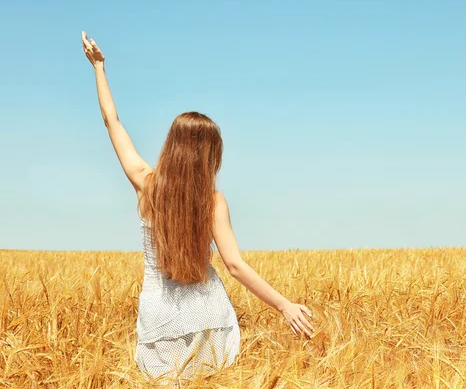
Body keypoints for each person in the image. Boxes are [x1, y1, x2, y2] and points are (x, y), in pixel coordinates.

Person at [80, 31, 316, 385]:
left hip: (160, 316)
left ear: (171, 146)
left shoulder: (147, 185)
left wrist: (99, 68)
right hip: (209, 314)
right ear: (211, 156)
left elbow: (112, 122)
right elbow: (235, 265)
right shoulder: (213, 202)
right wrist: (284, 305)